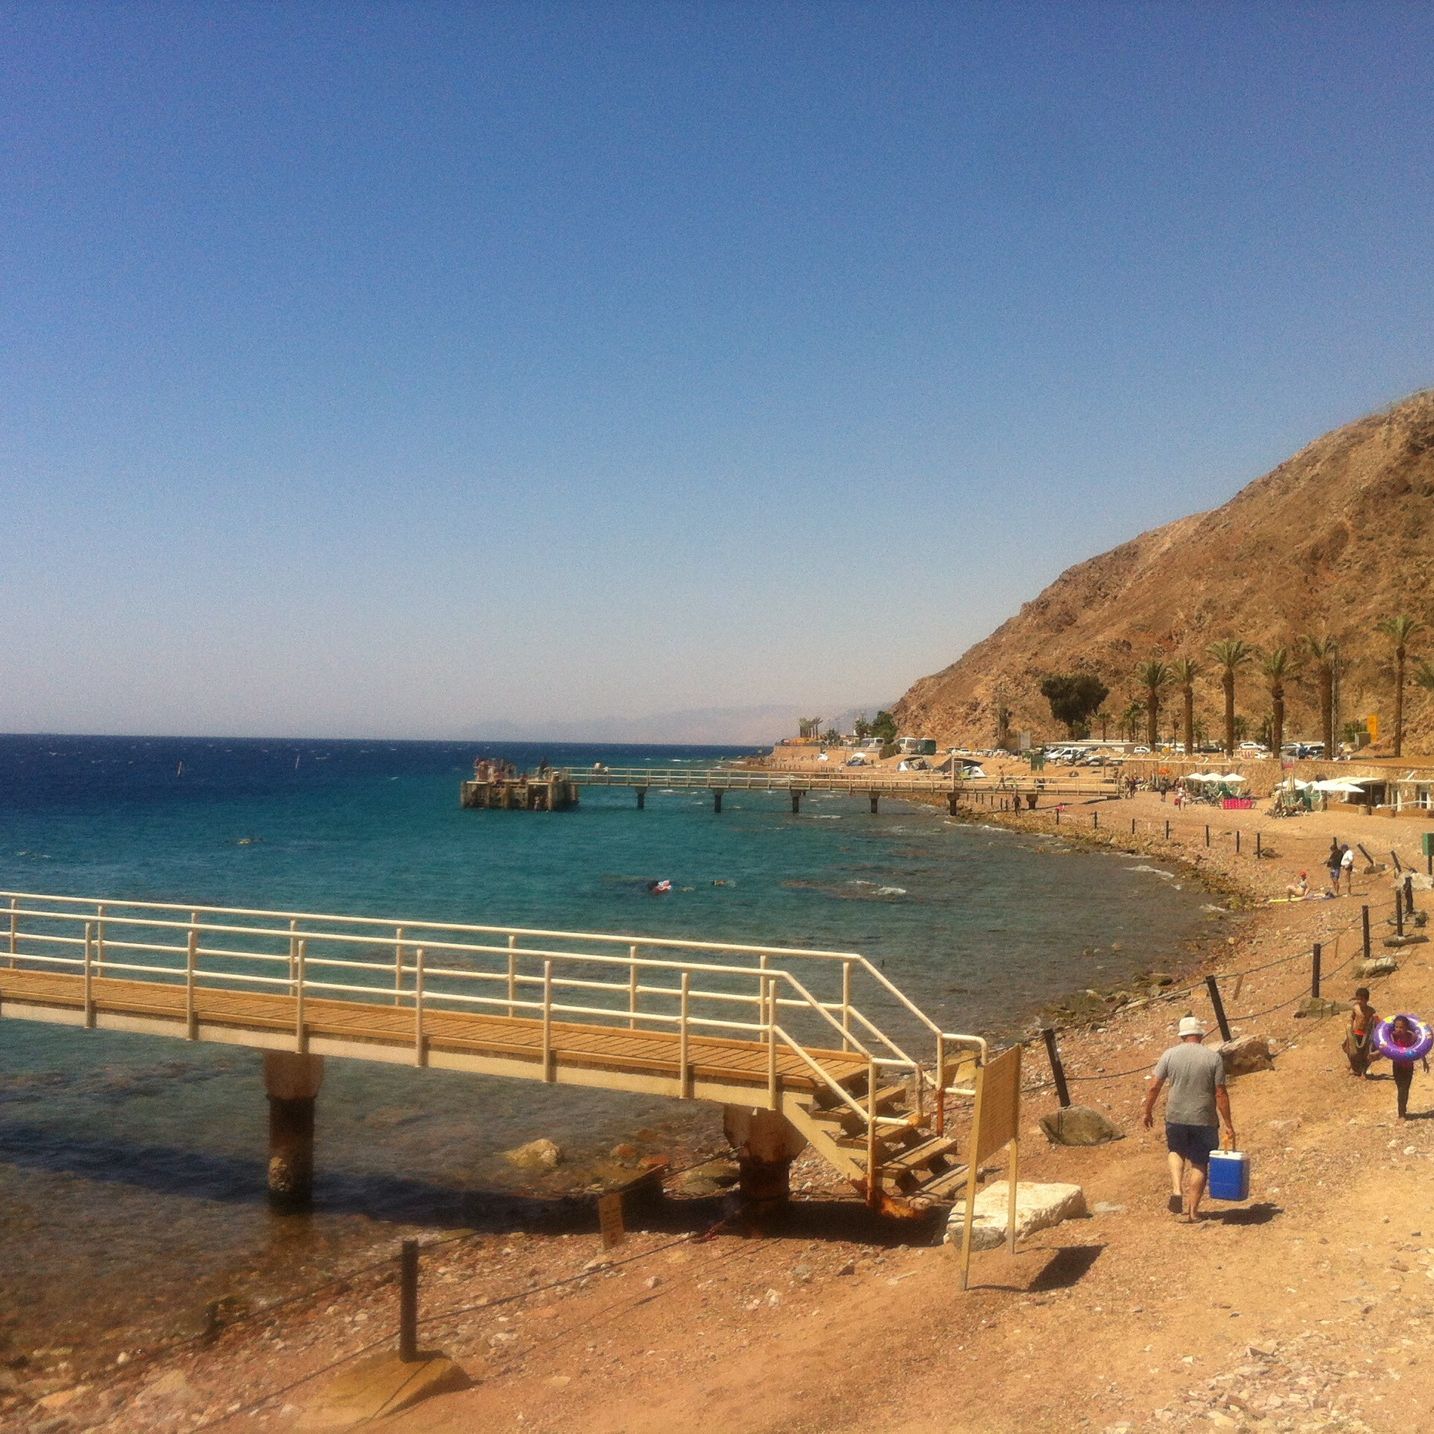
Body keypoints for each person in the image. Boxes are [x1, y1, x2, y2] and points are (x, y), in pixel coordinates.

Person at [1142, 1015, 1235, 1224]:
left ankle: (1176, 1189)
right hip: (1204, 1117)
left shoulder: (1169, 1055)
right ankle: (1193, 1212)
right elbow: (1220, 1093)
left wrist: (1147, 1110)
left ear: (1182, 1035)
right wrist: (1228, 1124)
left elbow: (1154, 1086)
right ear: (1200, 1035)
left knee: (1175, 1150)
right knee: (1200, 1162)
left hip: (1175, 1115)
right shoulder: (1213, 1058)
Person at [1384, 1015, 1429, 1119]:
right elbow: (1385, 1047)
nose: (1398, 1029)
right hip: (1397, 1066)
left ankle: (1402, 1113)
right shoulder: (1393, 1036)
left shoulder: (1411, 1037)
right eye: (1396, 1027)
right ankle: (1402, 1112)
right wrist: (1375, 1055)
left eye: (1401, 1027)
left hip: (1408, 1067)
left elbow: (1419, 1049)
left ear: (1407, 1028)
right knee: (1401, 1088)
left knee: (1404, 1089)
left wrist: (1424, 1061)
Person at [1344, 987, 1376, 1077]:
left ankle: (1363, 1071)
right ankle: (1353, 1066)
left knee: (1364, 1053)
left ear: (1366, 1000)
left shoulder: (1371, 1011)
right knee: (1351, 1050)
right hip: (1355, 1033)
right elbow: (1352, 1017)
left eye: (1362, 999)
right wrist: (1349, 1027)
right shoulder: (1356, 1008)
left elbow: (1373, 1022)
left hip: (1365, 1035)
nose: (1360, 1001)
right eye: (1358, 999)